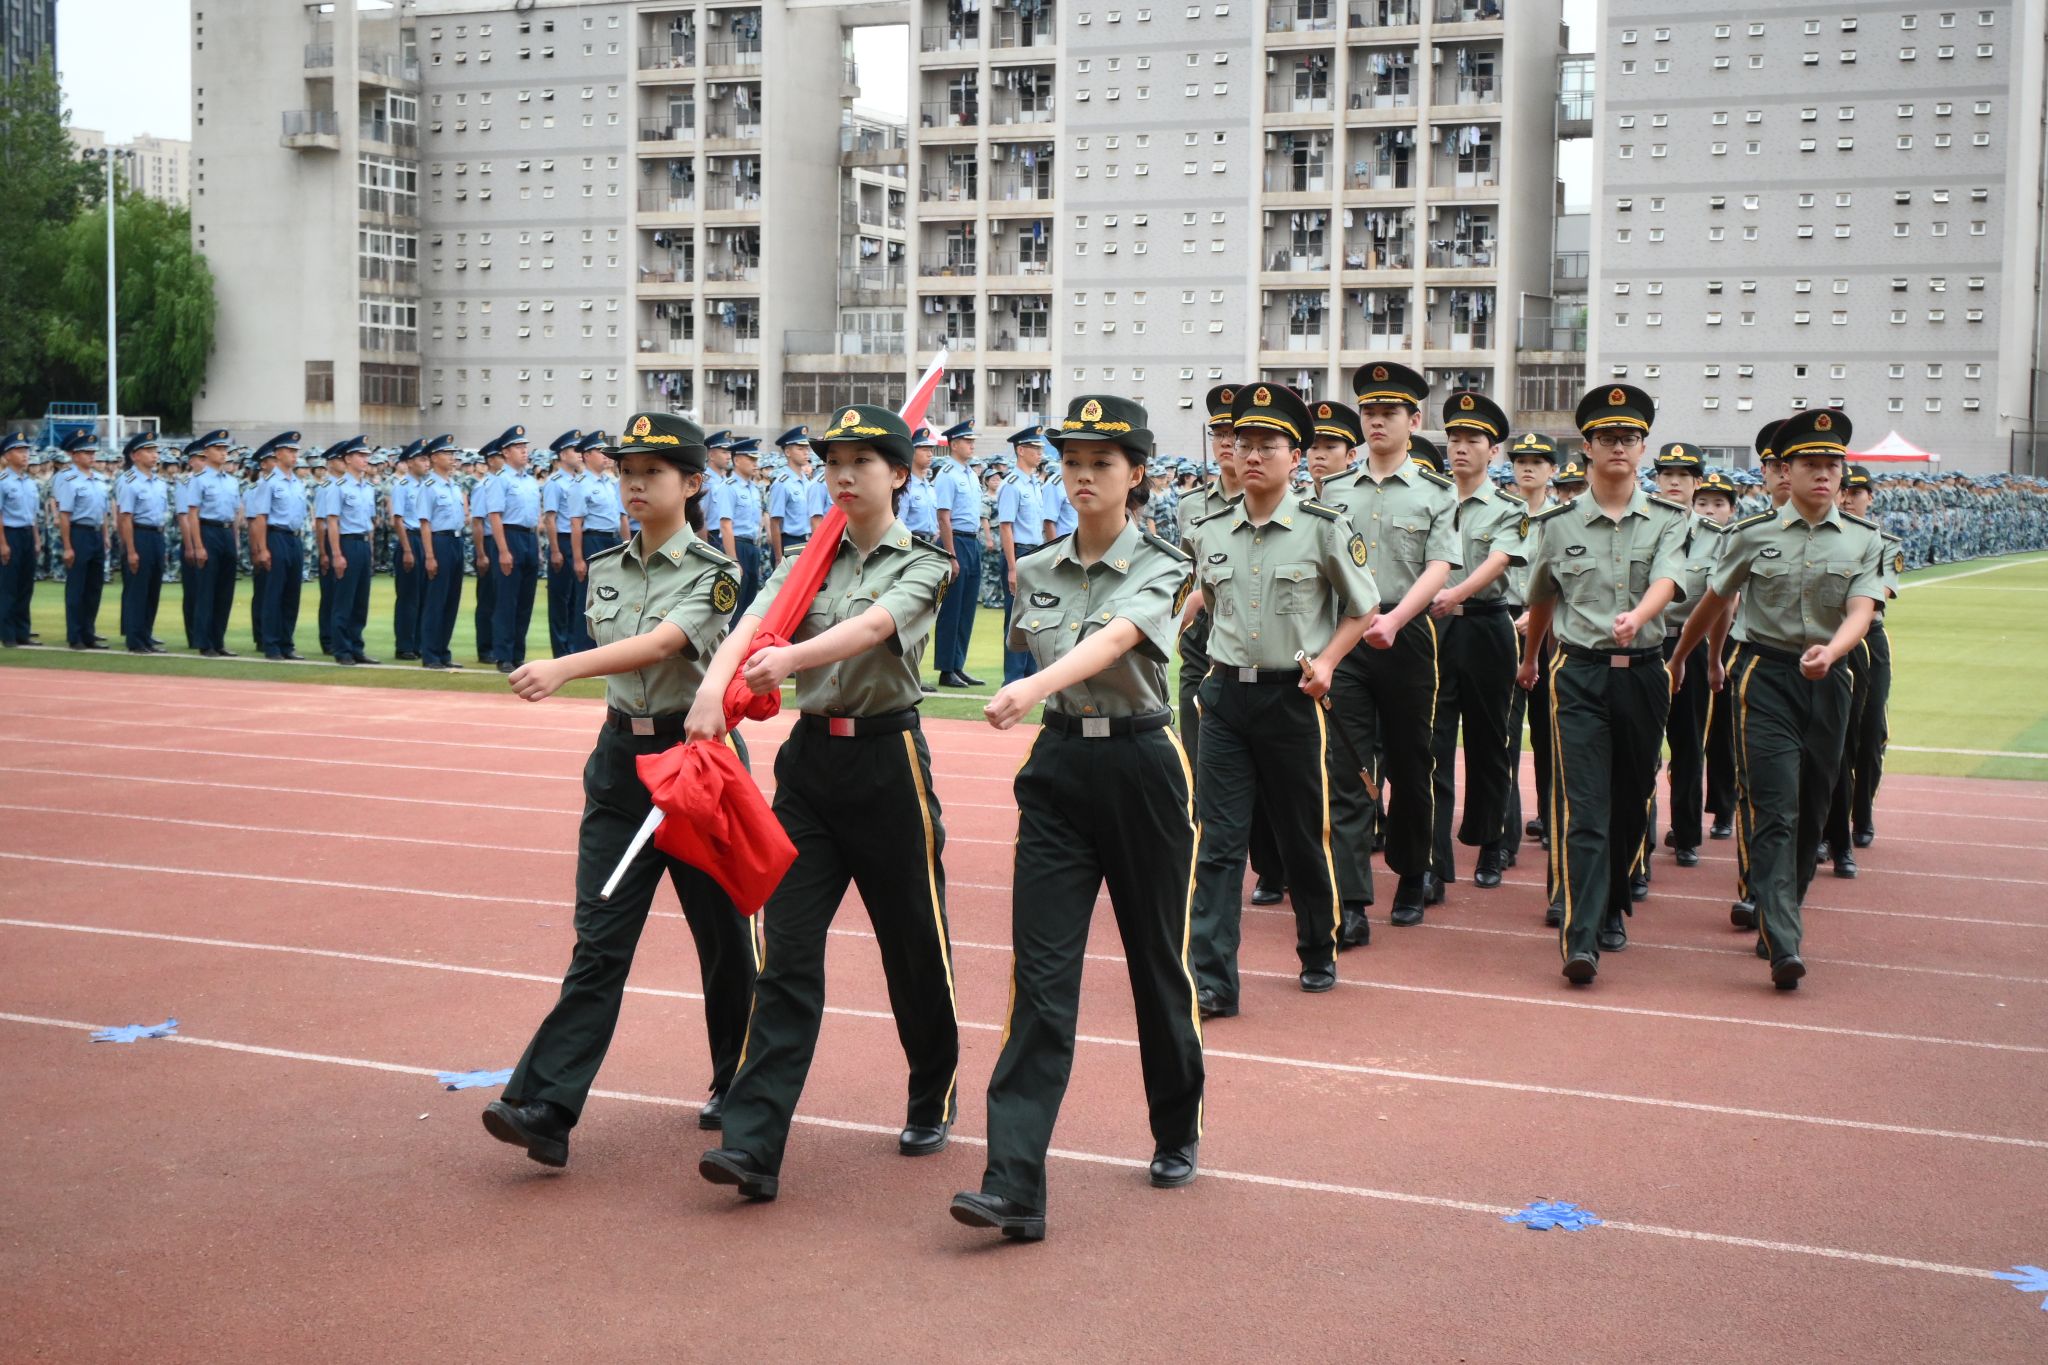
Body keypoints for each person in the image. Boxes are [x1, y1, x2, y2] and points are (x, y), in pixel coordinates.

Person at [950, 394, 1204, 1243]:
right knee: (1041, 977)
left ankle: (1176, 1123)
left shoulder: (1165, 563)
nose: (1084, 475)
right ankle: (1013, 1182)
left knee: (1156, 961)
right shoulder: (1036, 570)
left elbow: (1116, 638)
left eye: (1103, 461)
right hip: (1059, 768)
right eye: (1073, 461)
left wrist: (1030, 685)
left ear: (1138, 474)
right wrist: (1039, 697)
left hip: (1141, 766)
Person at [693, 403, 958, 1203]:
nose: (842, 475)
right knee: (788, 952)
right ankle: (753, 1141)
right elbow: (752, 624)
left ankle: (931, 1090)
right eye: (833, 462)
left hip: (886, 762)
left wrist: (789, 658)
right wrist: (712, 686)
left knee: (912, 944)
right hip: (810, 766)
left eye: (861, 462)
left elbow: (873, 628)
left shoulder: (927, 562)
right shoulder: (808, 559)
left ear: (899, 473)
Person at [480, 412, 759, 1167]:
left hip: (696, 764)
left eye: (652, 473)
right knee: (600, 939)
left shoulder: (716, 571)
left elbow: (666, 643)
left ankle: (740, 1081)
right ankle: (546, 1106)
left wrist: (564, 666)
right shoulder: (605, 566)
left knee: (725, 940)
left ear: (692, 484)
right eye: (626, 472)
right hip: (621, 766)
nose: (634, 485)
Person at [1184, 383, 1379, 1018]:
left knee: (1302, 835)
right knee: (1217, 842)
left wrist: (1328, 661)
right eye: (1243, 443)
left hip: (1292, 701)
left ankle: (1318, 947)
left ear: (1295, 457)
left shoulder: (1324, 529)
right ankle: (1212, 979)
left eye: (1267, 445)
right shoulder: (1210, 531)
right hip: (1225, 699)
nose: (1251, 455)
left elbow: (1363, 607)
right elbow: (1209, 604)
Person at [1670, 409, 1883, 991]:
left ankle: (1778, 907)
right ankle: (1785, 937)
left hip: (1830, 679)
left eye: (1833, 464)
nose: (1825, 473)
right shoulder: (1751, 535)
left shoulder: (1865, 540)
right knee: (1774, 806)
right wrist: (1684, 657)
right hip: (1764, 676)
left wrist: (1832, 651)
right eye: (1811, 463)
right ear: (1786, 471)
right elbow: (1714, 602)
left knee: (1813, 807)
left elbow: (1862, 609)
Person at [1516, 385, 1690, 984]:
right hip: (1579, 674)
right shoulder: (1556, 524)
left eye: (1630, 437)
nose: (1619, 445)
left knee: (1631, 801)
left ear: (1643, 449)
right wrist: (1531, 659)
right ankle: (1582, 934)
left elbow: (1669, 579)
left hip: (1644, 673)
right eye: (1607, 437)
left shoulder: (1670, 520)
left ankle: (1615, 899)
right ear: (1586, 448)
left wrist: (1639, 617)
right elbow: (1543, 597)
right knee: (1585, 808)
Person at [1323, 363, 1458, 927]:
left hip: (1408, 635)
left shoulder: (1437, 492)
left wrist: (1397, 619)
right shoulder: (1333, 490)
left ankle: (1410, 874)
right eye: (1370, 413)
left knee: (1411, 763)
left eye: (1389, 413)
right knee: (1348, 769)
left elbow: (1440, 566)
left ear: (1414, 420)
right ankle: (1352, 900)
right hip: (1347, 640)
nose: (1377, 421)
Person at [1425, 391, 1526, 892]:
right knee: (1433, 744)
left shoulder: (1510, 507)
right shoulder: (1430, 500)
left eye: (1473, 440)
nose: (1461, 447)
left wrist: (1455, 593)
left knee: (1491, 743)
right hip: (1436, 630)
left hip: (1487, 626)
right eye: (1454, 439)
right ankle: (1433, 862)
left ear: (1494, 451)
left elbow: (1500, 560)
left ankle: (1491, 845)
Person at [1643, 442, 1719, 878]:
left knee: (1689, 745)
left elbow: (1721, 602)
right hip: (1647, 644)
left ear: (1697, 483)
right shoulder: (1641, 527)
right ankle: (1641, 837)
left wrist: (1711, 658)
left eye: (1683, 475)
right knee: (1643, 747)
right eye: (1667, 474)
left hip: (1689, 646)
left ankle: (1687, 835)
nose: (1674, 481)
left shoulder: (1714, 536)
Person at [1825, 463, 1901, 860]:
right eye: (1845, 491)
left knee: (1871, 733)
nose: (1849, 499)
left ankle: (1863, 814)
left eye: (1857, 492)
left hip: (1867, 641)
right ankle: (1829, 825)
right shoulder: (1822, 538)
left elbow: (1878, 594)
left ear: (1870, 497)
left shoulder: (1883, 543)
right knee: (1834, 736)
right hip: (1827, 638)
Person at [1500, 432, 1558, 860]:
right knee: (1505, 736)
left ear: (1552, 470)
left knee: (1550, 734)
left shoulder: (1564, 519)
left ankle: (1553, 820)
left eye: (1537, 462)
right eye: (1521, 461)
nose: (1527, 469)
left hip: (1552, 632)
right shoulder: (1502, 514)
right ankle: (1505, 838)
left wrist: (1540, 617)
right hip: (1503, 624)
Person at [1692, 470, 1742, 843]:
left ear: (1732, 509)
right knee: (1688, 732)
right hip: (1691, 641)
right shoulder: (1685, 539)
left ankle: (1724, 808)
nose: (1710, 510)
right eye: (1703, 503)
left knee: (1722, 731)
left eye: (1718, 504)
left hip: (1730, 642)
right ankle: (1686, 816)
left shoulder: (1741, 540)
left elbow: (1731, 599)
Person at [479, 427, 542, 673]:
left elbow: (534, 518)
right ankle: (503, 655)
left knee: (525, 601)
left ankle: (518, 653)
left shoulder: (530, 481)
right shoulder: (500, 480)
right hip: (510, 536)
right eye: (518, 447)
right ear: (505, 452)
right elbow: (495, 516)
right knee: (507, 601)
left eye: (525, 447)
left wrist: (537, 548)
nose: (524, 451)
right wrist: (503, 551)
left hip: (529, 537)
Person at [245, 432, 310, 661]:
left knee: (292, 594)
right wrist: (262, 549)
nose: (294, 455)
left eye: (296, 451)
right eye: (290, 451)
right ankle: (271, 644)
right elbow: (260, 518)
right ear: (278, 454)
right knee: (274, 593)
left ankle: (286, 643)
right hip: (276, 536)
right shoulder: (269, 482)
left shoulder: (298, 483)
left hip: (294, 538)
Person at [930, 419, 984, 688]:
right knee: (951, 609)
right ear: (953, 444)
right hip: (956, 541)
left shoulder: (971, 474)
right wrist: (950, 554)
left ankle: (958, 665)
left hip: (972, 541)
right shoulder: (947, 474)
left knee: (967, 609)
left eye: (973, 441)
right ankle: (945, 668)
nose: (972, 445)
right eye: (967, 441)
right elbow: (944, 517)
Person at [996, 424, 1049, 684]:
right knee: (1015, 617)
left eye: (1040, 448)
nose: (1040, 453)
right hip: (1019, 553)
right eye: (1034, 448)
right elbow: (1006, 526)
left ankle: (1029, 673)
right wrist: (1012, 567)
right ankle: (1013, 677)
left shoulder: (1035, 483)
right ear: (1020, 450)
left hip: (1035, 553)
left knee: (1034, 615)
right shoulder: (1012, 485)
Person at [322, 435, 380, 666]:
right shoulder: (338, 487)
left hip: (363, 543)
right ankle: (342, 649)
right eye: (361, 455)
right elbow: (332, 522)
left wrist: (371, 550)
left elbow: (370, 523)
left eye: (367, 455)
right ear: (348, 459)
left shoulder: (367, 488)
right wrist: (336, 554)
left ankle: (357, 647)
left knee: (360, 601)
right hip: (347, 543)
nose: (366, 459)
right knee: (344, 600)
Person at [52, 430, 112, 650]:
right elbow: (64, 515)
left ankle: (89, 633)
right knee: (77, 586)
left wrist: (105, 536)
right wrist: (68, 546)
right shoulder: (69, 480)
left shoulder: (99, 479)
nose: (92, 456)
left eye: (93, 452)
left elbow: (102, 512)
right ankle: (75, 634)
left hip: (96, 534)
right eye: (86, 452)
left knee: (94, 587)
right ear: (75, 455)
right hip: (79, 533)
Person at [566, 431, 623, 652]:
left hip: (612, 540)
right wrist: (578, 559)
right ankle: (582, 650)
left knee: (612, 597)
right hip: (593, 541)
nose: (604, 455)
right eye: (599, 451)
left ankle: (604, 648)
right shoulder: (581, 484)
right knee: (588, 598)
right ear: (587, 455)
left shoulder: (610, 483)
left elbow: (620, 518)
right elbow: (576, 524)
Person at [186, 430, 241, 657]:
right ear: (206, 452)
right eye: (218, 449)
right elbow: (192, 515)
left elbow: (235, 515)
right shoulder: (198, 480)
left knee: (225, 592)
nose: (223, 453)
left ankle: (218, 640)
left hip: (226, 533)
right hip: (208, 531)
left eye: (225, 449)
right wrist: (198, 546)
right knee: (207, 590)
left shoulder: (232, 481)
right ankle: (204, 641)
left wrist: (235, 542)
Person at [416, 435, 468, 669]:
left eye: (453, 453)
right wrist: (429, 556)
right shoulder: (429, 487)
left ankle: (443, 651)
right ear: (434, 457)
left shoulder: (454, 486)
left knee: (451, 600)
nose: (452, 457)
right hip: (439, 542)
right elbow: (425, 523)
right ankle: (430, 654)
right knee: (436, 600)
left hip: (456, 541)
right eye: (447, 453)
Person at [539, 429, 584, 658]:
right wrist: (555, 550)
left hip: (577, 540)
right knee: (560, 599)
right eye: (575, 450)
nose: (580, 454)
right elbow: (550, 518)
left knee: (576, 598)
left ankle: (573, 647)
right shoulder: (554, 483)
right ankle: (560, 650)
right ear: (563, 454)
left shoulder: (578, 480)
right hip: (562, 540)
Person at [1, 432, 44, 647]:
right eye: (19, 451)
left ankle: (22, 631)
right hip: (10, 533)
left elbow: (32, 515)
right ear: (7, 456)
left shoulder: (30, 482)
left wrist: (36, 540)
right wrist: (2, 543)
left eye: (26, 450)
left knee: (26, 586)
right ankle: (7, 633)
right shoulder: (2, 481)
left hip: (27, 534)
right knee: (9, 586)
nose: (25, 455)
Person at [387, 439, 426, 661]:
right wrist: (408, 549)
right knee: (408, 597)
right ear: (410, 462)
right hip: (410, 539)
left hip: (425, 539)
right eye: (421, 459)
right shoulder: (401, 486)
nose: (426, 463)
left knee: (424, 596)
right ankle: (404, 645)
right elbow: (398, 520)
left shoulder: (427, 486)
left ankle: (419, 643)